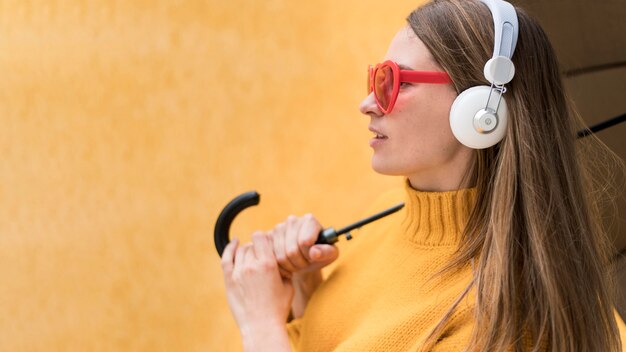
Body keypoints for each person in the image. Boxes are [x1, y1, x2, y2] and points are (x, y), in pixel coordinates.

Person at [220, 0, 626, 350]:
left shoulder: (509, 320)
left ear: (480, 109)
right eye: (375, 78)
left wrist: (260, 328)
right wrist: (304, 299)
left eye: (393, 82)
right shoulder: (388, 214)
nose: (367, 103)